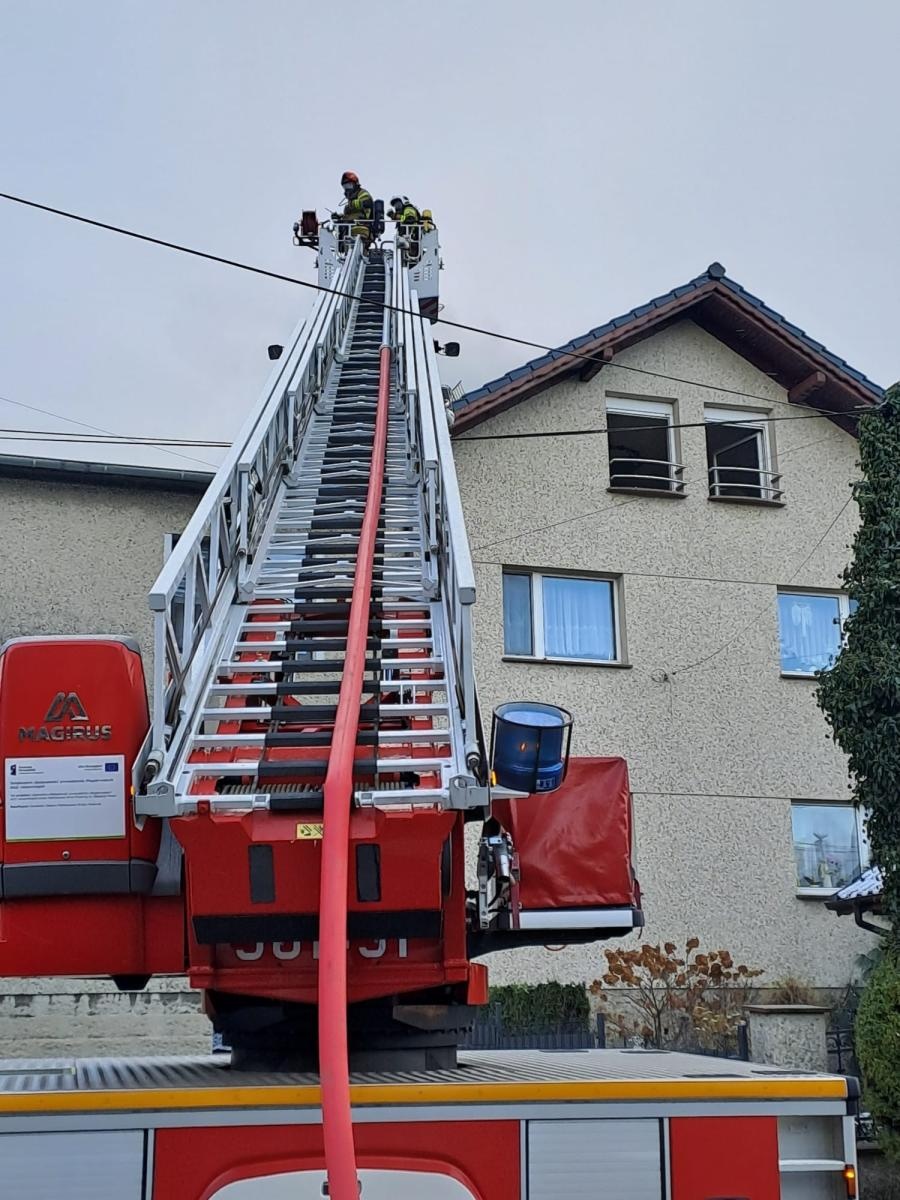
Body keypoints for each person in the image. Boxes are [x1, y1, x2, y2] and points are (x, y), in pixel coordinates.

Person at [332, 171, 374, 251]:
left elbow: (367, 202)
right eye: (345, 186)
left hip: (360, 226)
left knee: (357, 251)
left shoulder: (362, 193)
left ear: (355, 184)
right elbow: (350, 215)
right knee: (349, 251)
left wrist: (351, 205)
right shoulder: (350, 200)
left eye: (349, 185)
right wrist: (339, 217)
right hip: (349, 230)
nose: (347, 188)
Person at [389, 195, 422, 260]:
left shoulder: (408, 209)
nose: (396, 207)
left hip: (412, 236)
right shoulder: (404, 211)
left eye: (398, 204)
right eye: (395, 205)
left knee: (412, 255)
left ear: (404, 202)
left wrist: (395, 216)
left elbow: (410, 219)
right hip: (408, 239)